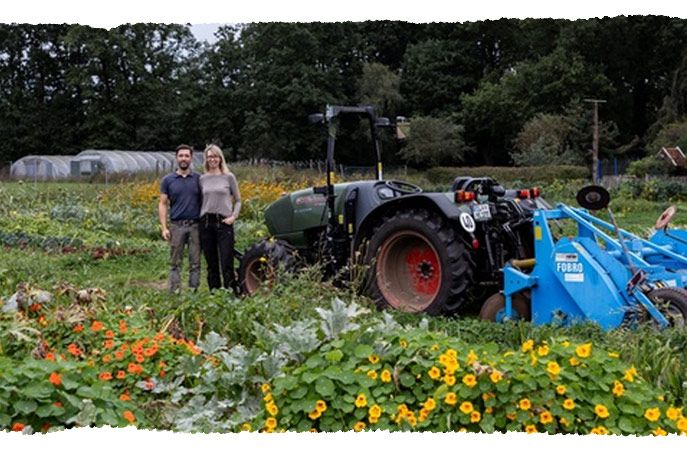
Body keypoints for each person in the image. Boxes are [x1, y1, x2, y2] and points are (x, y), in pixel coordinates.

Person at [158, 144, 202, 294]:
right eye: (181, 156)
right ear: (176, 158)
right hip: (177, 226)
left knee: (195, 262)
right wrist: (164, 227)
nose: (184, 158)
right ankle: (175, 291)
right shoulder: (168, 180)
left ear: (191, 158)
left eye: (187, 156)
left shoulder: (198, 179)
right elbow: (163, 204)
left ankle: (193, 292)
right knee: (175, 262)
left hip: (196, 226)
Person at [199, 144, 242, 294]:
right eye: (210, 156)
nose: (212, 159)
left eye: (215, 156)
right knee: (211, 263)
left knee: (226, 261)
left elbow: (238, 200)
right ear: (206, 159)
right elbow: (200, 201)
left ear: (220, 158)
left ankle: (231, 293)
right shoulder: (202, 179)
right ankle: (215, 294)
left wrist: (233, 217)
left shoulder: (228, 177)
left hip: (224, 223)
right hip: (206, 223)